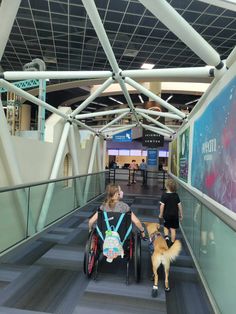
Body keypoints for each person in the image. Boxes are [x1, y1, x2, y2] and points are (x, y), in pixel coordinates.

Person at [159, 178, 183, 246]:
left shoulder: (164, 195)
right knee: (173, 229)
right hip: (175, 216)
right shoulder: (176, 195)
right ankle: (172, 243)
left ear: (166, 186)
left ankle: (166, 238)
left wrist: (160, 214)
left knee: (166, 227)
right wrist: (181, 214)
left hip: (166, 215)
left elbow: (162, 206)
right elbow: (180, 205)